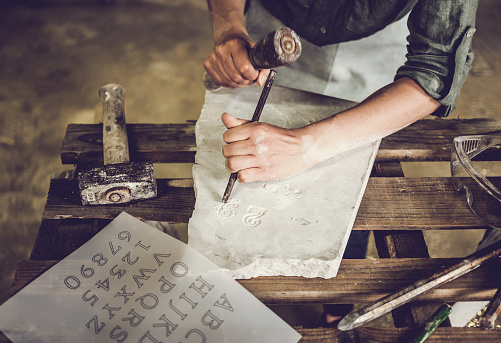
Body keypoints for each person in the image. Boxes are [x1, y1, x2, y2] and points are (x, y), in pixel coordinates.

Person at [203, 0, 478, 326]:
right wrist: (229, 25)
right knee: (239, 188)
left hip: (376, 74)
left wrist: (306, 146)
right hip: (267, 36)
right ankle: (234, 291)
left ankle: (336, 306)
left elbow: (434, 70)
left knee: (343, 203)